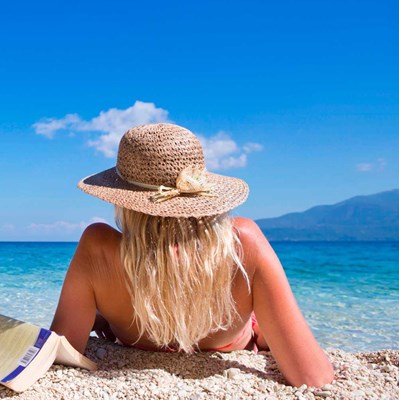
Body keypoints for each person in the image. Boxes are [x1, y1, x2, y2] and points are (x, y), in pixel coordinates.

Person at [50, 123, 334, 387]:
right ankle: (260, 329)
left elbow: (60, 352)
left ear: (122, 197)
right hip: (232, 339)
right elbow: (313, 376)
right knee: (259, 324)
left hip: (130, 330)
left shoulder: (97, 248)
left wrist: (104, 310)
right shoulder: (242, 243)